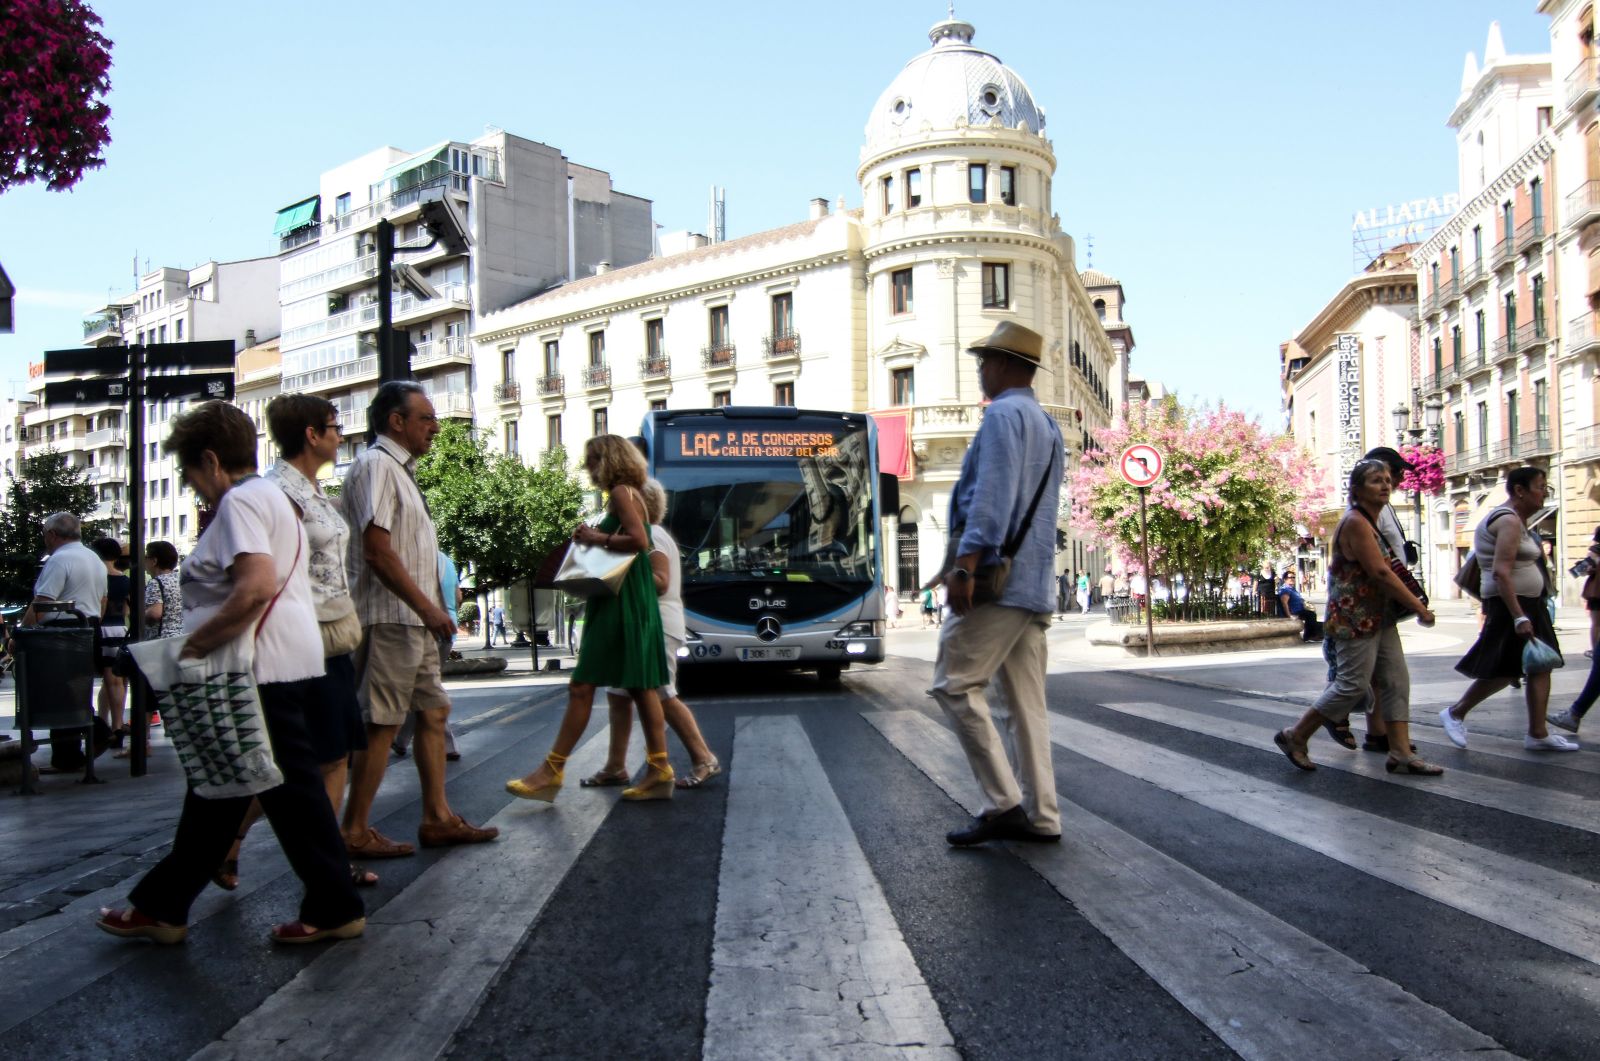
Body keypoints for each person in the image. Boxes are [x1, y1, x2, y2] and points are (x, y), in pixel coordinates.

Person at [96, 401, 365, 945]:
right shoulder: (276, 498)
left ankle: (330, 906)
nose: (195, 487)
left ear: (212, 460)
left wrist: (192, 649)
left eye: (192, 474)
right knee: (229, 788)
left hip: (255, 667)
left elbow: (256, 586)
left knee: (263, 792)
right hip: (285, 660)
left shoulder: (241, 502)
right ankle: (165, 906)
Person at [207, 394, 380, 894]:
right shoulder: (277, 492)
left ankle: (234, 845)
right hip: (307, 637)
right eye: (332, 426)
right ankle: (326, 871)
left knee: (313, 759)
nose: (339, 434)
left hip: (329, 632)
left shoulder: (312, 490)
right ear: (310, 434)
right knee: (316, 761)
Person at [340, 382, 498, 858]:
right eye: (426, 418)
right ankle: (355, 829)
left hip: (413, 623)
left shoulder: (399, 471)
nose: (435, 427)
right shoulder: (376, 466)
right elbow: (377, 551)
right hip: (393, 619)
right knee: (382, 723)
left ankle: (437, 818)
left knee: (433, 713)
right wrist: (428, 607)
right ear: (396, 422)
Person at [930, 322, 1063, 846]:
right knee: (1025, 706)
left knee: (954, 682)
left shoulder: (1003, 415)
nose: (980, 369)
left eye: (984, 361)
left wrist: (966, 565)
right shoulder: (1047, 426)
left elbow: (992, 497)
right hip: (1031, 584)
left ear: (1005, 365)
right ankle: (1043, 815)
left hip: (998, 583)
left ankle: (1002, 802)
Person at [507, 435, 675, 802]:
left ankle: (551, 770)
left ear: (607, 460)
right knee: (639, 684)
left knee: (585, 685)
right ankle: (659, 768)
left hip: (621, 599)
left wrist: (593, 537)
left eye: (591, 460)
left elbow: (638, 541)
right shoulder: (630, 493)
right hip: (630, 597)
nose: (587, 469)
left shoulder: (621, 493)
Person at [1274, 459, 1441, 775]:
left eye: (1388, 479)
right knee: (1351, 685)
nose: (1385, 485)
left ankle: (1401, 753)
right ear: (1357, 489)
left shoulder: (1369, 520)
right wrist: (1418, 607)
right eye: (1376, 480)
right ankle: (1295, 735)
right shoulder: (1355, 522)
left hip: (1379, 617)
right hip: (1355, 619)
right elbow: (1380, 572)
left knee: (1395, 681)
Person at [584, 478, 721, 790]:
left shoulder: (652, 536)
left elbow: (660, 580)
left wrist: (620, 572)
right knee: (618, 694)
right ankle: (615, 766)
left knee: (660, 692)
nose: (612, 508)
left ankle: (704, 758)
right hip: (639, 624)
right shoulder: (645, 534)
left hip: (655, 624)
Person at [1440, 466, 1576, 752]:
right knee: (1504, 669)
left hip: (1526, 604)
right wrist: (1519, 616)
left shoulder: (1515, 520)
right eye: (1540, 486)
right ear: (1519, 490)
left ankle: (1538, 734)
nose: (1544, 492)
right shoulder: (1509, 521)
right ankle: (1455, 712)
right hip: (1513, 605)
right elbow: (1502, 572)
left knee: (1541, 664)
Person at [20, 512, 108, 772]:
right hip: (88, 628)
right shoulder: (94, 559)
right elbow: (102, 601)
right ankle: (68, 754)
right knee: (76, 692)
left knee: (58, 695)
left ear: (52, 534)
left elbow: (43, 602)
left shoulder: (59, 560)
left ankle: (89, 737)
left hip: (61, 633)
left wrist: (21, 633)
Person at [393, 550, 462, 761]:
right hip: (449, 627)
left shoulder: (419, 558)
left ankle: (443, 744)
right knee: (426, 686)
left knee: (425, 687)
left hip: (429, 625)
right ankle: (402, 740)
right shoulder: (447, 562)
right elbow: (459, 596)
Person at [91, 538, 130, 753]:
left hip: (102, 629)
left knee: (110, 681)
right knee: (115, 681)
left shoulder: (98, 579)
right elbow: (127, 610)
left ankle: (113, 727)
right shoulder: (124, 580)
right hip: (119, 630)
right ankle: (113, 723)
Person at [143, 540, 184, 639]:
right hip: (182, 637)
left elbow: (154, 614)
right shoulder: (181, 580)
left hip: (161, 640)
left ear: (154, 561)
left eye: (146, 557)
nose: (144, 561)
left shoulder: (156, 582)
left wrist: (140, 616)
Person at [1276, 570, 1321, 642]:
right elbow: (1284, 603)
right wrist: (1289, 615)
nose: (1292, 579)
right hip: (1294, 612)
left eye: (1293, 577)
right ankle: (1308, 636)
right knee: (1311, 615)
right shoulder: (1285, 590)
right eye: (1290, 577)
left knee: (1311, 614)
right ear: (1285, 579)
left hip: (1299, 610)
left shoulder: (1292, 589)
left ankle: (1312, 635)